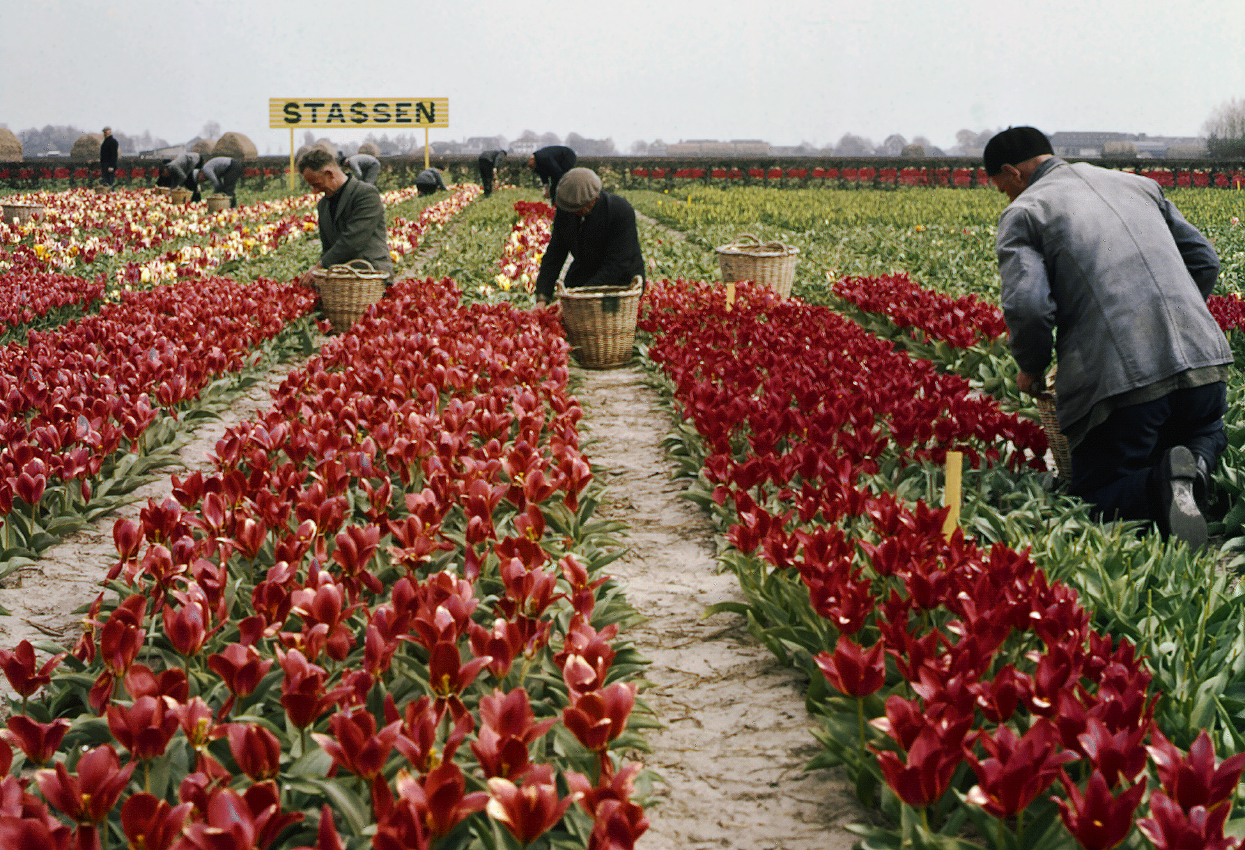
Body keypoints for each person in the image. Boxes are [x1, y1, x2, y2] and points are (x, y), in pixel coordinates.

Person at [985, 126, 1232, 548]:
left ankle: (1159, 486)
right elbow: (1205, 261)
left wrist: (1031, 366)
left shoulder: (1026, 211)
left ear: (1013, 172)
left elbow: (1028, 306)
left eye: (1002, 188)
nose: (1006, 197)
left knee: (1094, 494)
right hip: (1205, 366)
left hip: (1125, 385)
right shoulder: (1138, 185)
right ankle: (1195, 472)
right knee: (1207, 429)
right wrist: (1178, 320)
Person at [533, 167, 644, 308]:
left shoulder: (620, 211)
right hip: (584, 273)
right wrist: (542, 297)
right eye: (571, 210)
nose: (573, 213)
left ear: (594, 199)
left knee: (601, 316)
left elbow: (617, 265)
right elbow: (555, 253)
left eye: (579, 209)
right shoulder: (566, 210)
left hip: (619, 283)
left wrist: (578, 299)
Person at [295, 147, 393, 288]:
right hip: (341, 281)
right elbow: (327, 248)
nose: (315, 191)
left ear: (329, 174)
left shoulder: (365, 194)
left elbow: (353, 240)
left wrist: (320, 266)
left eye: (316, 184)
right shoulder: (323, 205)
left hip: (370, 276)